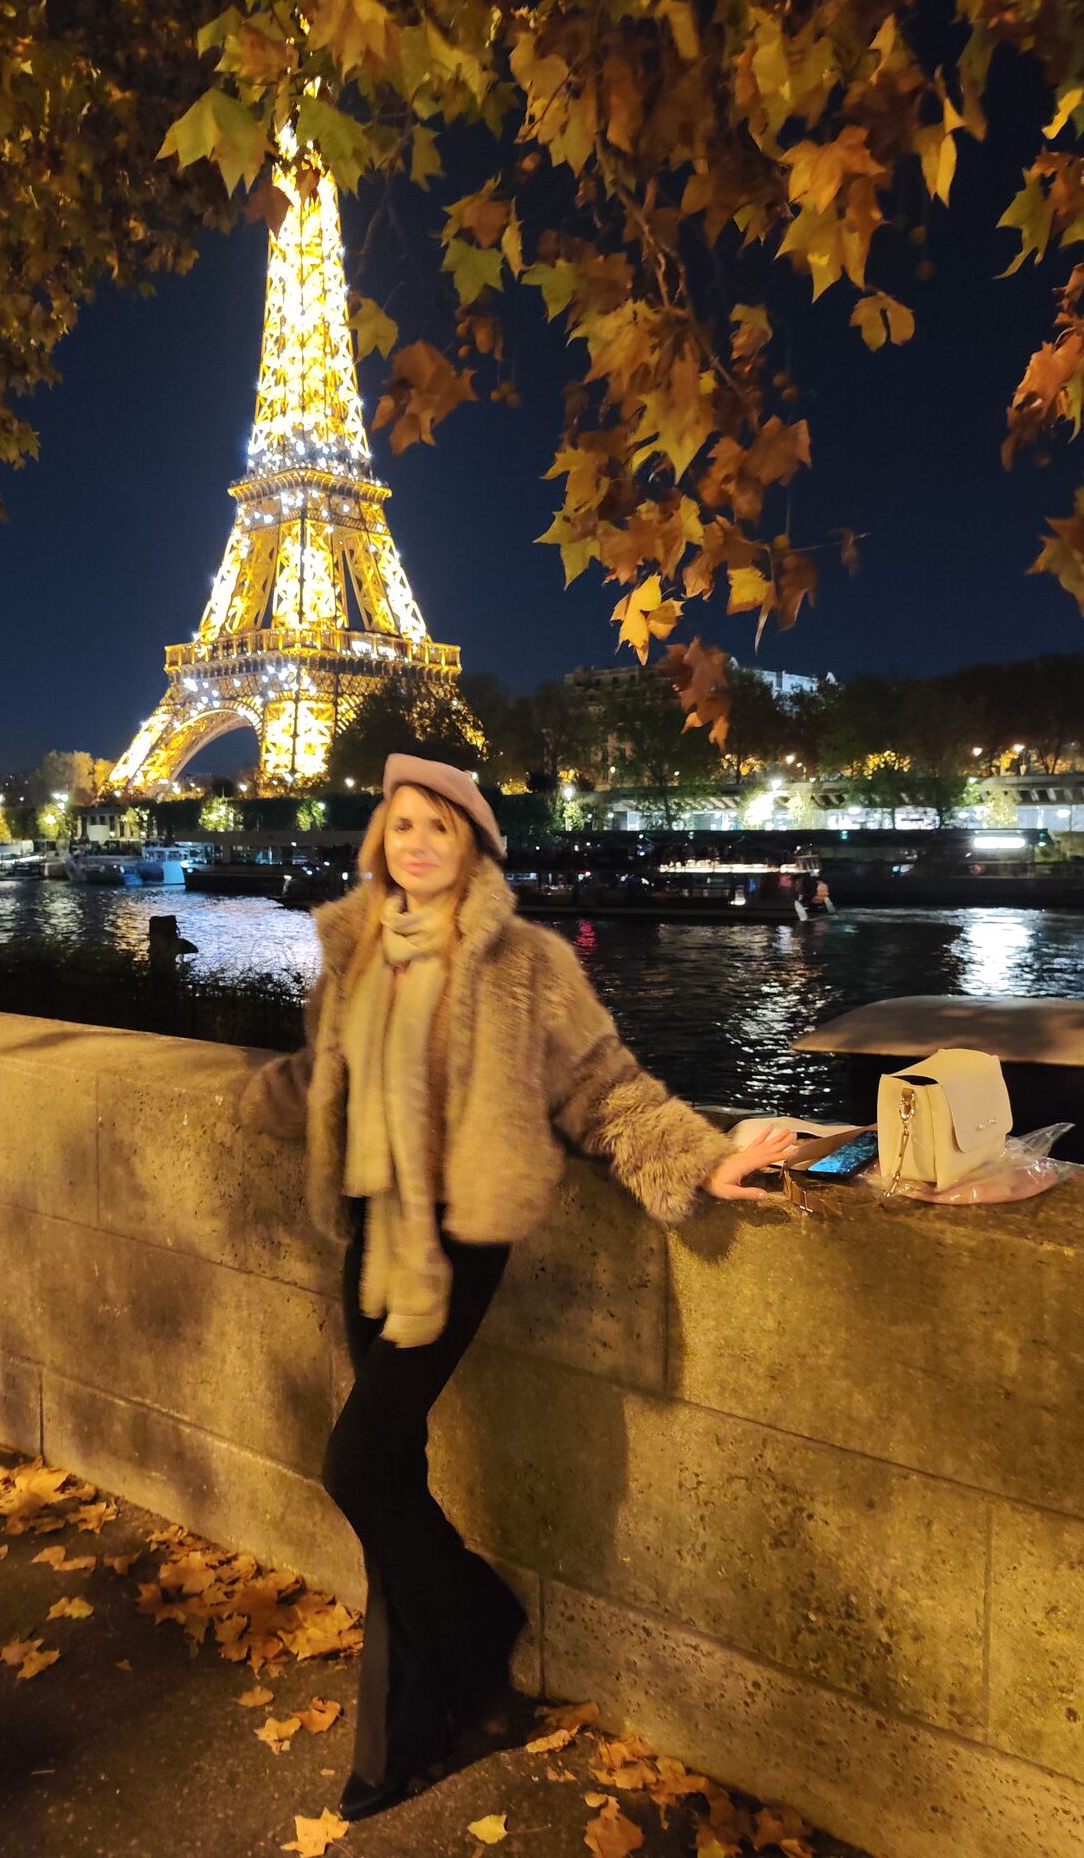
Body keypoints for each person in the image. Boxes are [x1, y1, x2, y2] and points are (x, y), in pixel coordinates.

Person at [244, 754, 796, 1822]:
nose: (416, 843)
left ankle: (477, 1629)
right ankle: (439, 1720)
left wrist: (704, 1160)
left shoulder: (524, 965)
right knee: (391, 1474)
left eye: (440, 828)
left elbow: (603, 1091)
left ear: (474, 849)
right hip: (371, 1229)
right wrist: (259, 1095)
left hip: (458, 1239)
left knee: (359, 1464)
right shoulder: (355, 949)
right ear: (380, 840)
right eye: (402, 824)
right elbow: (328, 1074)